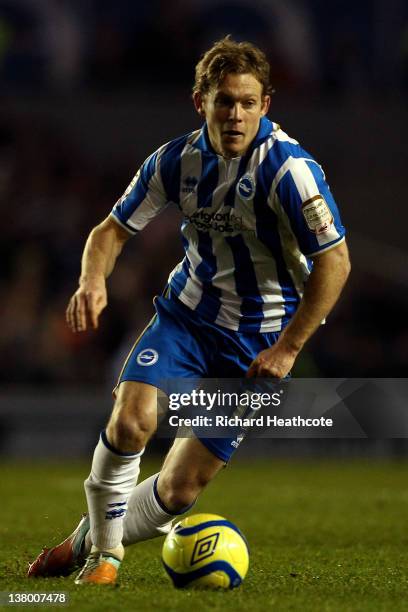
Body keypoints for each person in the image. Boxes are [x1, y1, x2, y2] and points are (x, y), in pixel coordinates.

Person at [28, 36, 350, 585]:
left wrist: (288, 347)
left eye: (248, 103)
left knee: (179, 491)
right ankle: (105, 559)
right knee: (131, 422)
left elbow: (335, 262)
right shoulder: (175, 161)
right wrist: (90, 281)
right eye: (224, 101)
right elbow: (109, 232)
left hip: (259, 343)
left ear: (266, 105)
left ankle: (84, 538)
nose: (235, 114)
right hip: (187, 316)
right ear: (199, 100)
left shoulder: (291, 172)